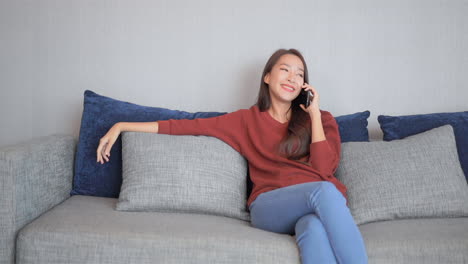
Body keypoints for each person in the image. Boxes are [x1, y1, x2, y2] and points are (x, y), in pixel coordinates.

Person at [96, 48, 368, 264]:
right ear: (267, 76)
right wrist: (121, 125)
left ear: (305, 85)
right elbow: (185, 125)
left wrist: (314, 115)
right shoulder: (245, 120)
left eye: (299, 74)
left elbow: (324, 169)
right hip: (268, 206)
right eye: (284, 70)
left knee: (313, 227)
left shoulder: (321, 120)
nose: (292, 78)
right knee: (323, 192)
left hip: (314, 203)